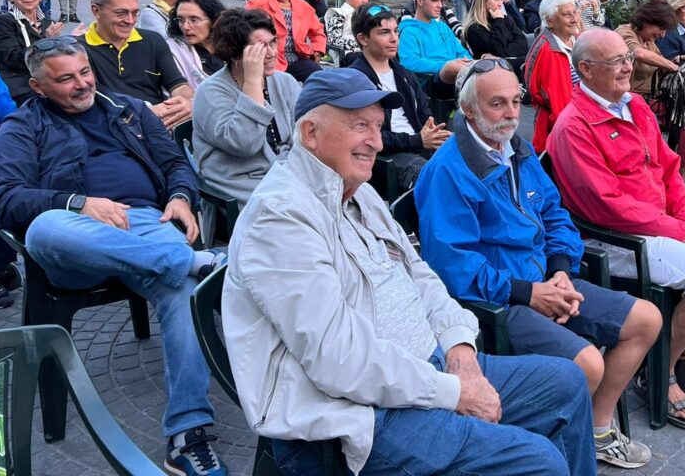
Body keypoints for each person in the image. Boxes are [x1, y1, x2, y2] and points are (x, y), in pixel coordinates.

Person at [223, 67, 598, 476]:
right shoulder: (281, 217)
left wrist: (459, 347)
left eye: (378, 126)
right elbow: (337, 360)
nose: (375, 141)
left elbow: (420, 275)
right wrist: (452, 392)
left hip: (426, 370)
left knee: (566, 382)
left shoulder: (359, 192)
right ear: (311, 133)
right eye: (360, 126)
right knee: (538, 462)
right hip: (356, 415)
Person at [0, 38, 229, 475]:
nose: (82, 84)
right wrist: (78, 203)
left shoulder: (130, 110)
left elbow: (175, 164)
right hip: (77, 237)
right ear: (38, 86)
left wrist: (181, 197)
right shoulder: (22, 126)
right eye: (66, 79)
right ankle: (197, 263)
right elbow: (5, 197)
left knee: (183, 293)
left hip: (146, 222)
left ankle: (188, 434)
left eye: (85, 72)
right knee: (45, 228)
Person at [416, 60, 659, 468]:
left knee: (646, 320)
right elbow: (453, 266)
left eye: (516, 101)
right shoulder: (449, 171)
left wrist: (562, 268)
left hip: (545, 279)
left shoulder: (517, 150)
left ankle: (596, 429)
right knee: (586, 363)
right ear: (469, 110)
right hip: (498, 302)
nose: (512, 113)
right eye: (497, 104)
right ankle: (552, 450)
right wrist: (530, 293)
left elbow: (555, 214)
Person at [547, 28, 685, 429]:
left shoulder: (635, 106)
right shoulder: (574, 125)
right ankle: (660, 369)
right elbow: (606, 205)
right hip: (615, 239)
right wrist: (677, 230)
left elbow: (669, 169)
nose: (627, 67)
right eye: (616, 61)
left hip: (659, 225)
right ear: (586, 70)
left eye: (628, 58)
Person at [617, 0, 685, 206]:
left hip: (653, 98)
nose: (662, 34)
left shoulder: (649, 40)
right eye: (660, 29)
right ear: (647, 20)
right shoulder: (625, 33)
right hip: (633, 100)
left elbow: (657, 60)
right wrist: (672, 65)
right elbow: (638, 53)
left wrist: (677, 60)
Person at [193, 9, 299, 209]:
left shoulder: (285, 82)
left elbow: (302, 137)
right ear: (235, 53)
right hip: (238, 183)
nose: (272, 53)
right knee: (296, 211)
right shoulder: (210, 92)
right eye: (260, 48)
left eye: (273, 42)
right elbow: (244, 144)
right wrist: (253, 82)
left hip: (284, 174)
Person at [349, 4, 451, 190]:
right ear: (363, 39)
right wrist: (418, 140)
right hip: (385, 158)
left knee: (469, 167)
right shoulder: (355, 80)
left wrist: (435, 135)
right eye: (384, 32)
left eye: (396, 31)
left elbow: (424, 115)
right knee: (441, 182)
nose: (394, 38)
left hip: (419, 148)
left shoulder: (405, 75)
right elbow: (367, 137)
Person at [82, 0, 194, 129]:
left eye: (135, 13)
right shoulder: (79, 50)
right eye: (121, 13)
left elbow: (177, 83)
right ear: (96, 11)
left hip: (158, 125)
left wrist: (187, 101)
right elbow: (91, 102)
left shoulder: (152, 41)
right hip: (110, 129)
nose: (130, 20)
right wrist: (144, 112)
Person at [0, 0, 68, 106]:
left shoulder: (48, 22)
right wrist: (46, 41)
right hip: (21, 86)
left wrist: (72, 40)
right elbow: (11, 59)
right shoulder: (3, 21)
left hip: (49, 81)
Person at [246, 0, 326, 82]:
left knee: (319, 78)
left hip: (298, 58)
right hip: (268, 58)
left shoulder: (303, 6)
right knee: (275, 84)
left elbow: (318, 31)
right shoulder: (257, 3)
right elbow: (242, 29)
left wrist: (317, 50)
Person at [524, 0, 580, 153]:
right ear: (550, 20)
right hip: (561, 132)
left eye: (574, 12)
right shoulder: (550, 51)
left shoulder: (573, 39)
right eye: (566, 15)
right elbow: (560, 106)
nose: (574, 19)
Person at [398, 0, 471, 95]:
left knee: (490, 62)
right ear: (420, 1)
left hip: (455, 77)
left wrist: (469, 62)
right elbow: (409, 62)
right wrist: (446, 64)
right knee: (452, 68)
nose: (440, 5)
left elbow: (462, 52)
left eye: (441, 1)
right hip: (428, 85)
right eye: (434, 0)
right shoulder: (409, 31)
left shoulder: (443, 27)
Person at [165, 0, 226, 89]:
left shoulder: (232, 47)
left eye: (194, 20)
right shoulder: (173, 50)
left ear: (214, 20)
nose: (185, 27)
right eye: (180, 19)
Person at [464, 0, 529, 60]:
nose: (500, 4)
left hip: (518, 62)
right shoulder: (474, 27)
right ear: (483, 0)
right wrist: (499, 21)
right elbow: (497, 50)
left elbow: (524, 44)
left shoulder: (504, 18)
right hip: (495, 67)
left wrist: (503, 53)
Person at [323, 0, 369, 64]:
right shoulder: (339, 14)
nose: (364, 0)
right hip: (348, 54)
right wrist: (363, 43)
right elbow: (333, 40)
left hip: (366, 51)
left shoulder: (367, 14)